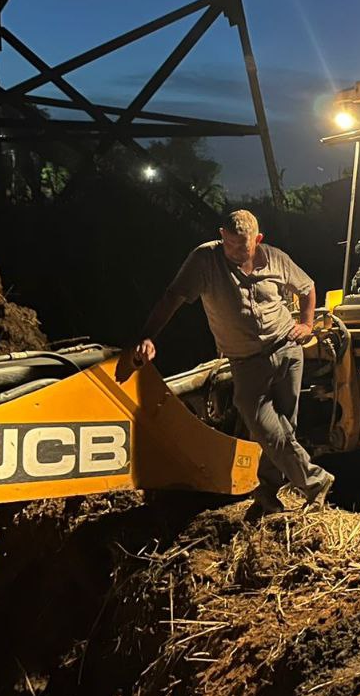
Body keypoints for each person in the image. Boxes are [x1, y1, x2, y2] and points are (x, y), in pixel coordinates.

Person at [127, 209, 334, 518]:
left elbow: (307, 288)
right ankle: (316, 481)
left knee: (284, 430)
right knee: (268, 430)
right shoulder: (204, 260)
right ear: (221, 235)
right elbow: (173, 297)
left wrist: (306, 324)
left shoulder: (275, 258)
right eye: (230, 243)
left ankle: (266, 494)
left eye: (244, 246)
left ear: (258, 239)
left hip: (288, 352)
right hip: (247, 362)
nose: (236, 252)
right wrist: (147, 336)